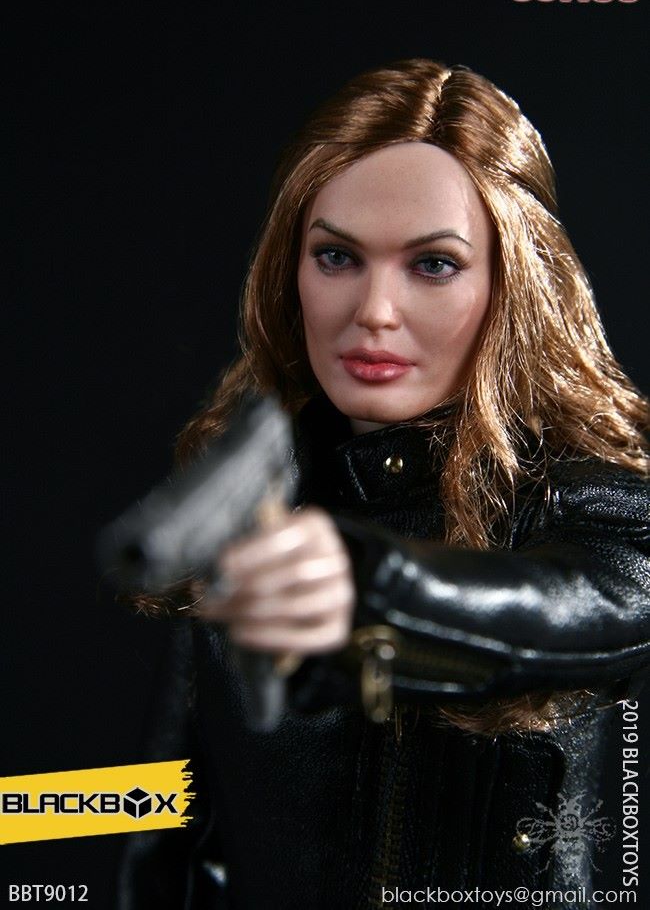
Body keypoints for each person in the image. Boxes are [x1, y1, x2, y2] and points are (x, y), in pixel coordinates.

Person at [118, 59, 650, 910]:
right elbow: (155, 815)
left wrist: (372, 585)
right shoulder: (249, 503)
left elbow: (593, 603)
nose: (373, 310)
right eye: (336, 256)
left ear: (511, 283)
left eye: (433, 264)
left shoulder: (582, 498)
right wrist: (28, 813)